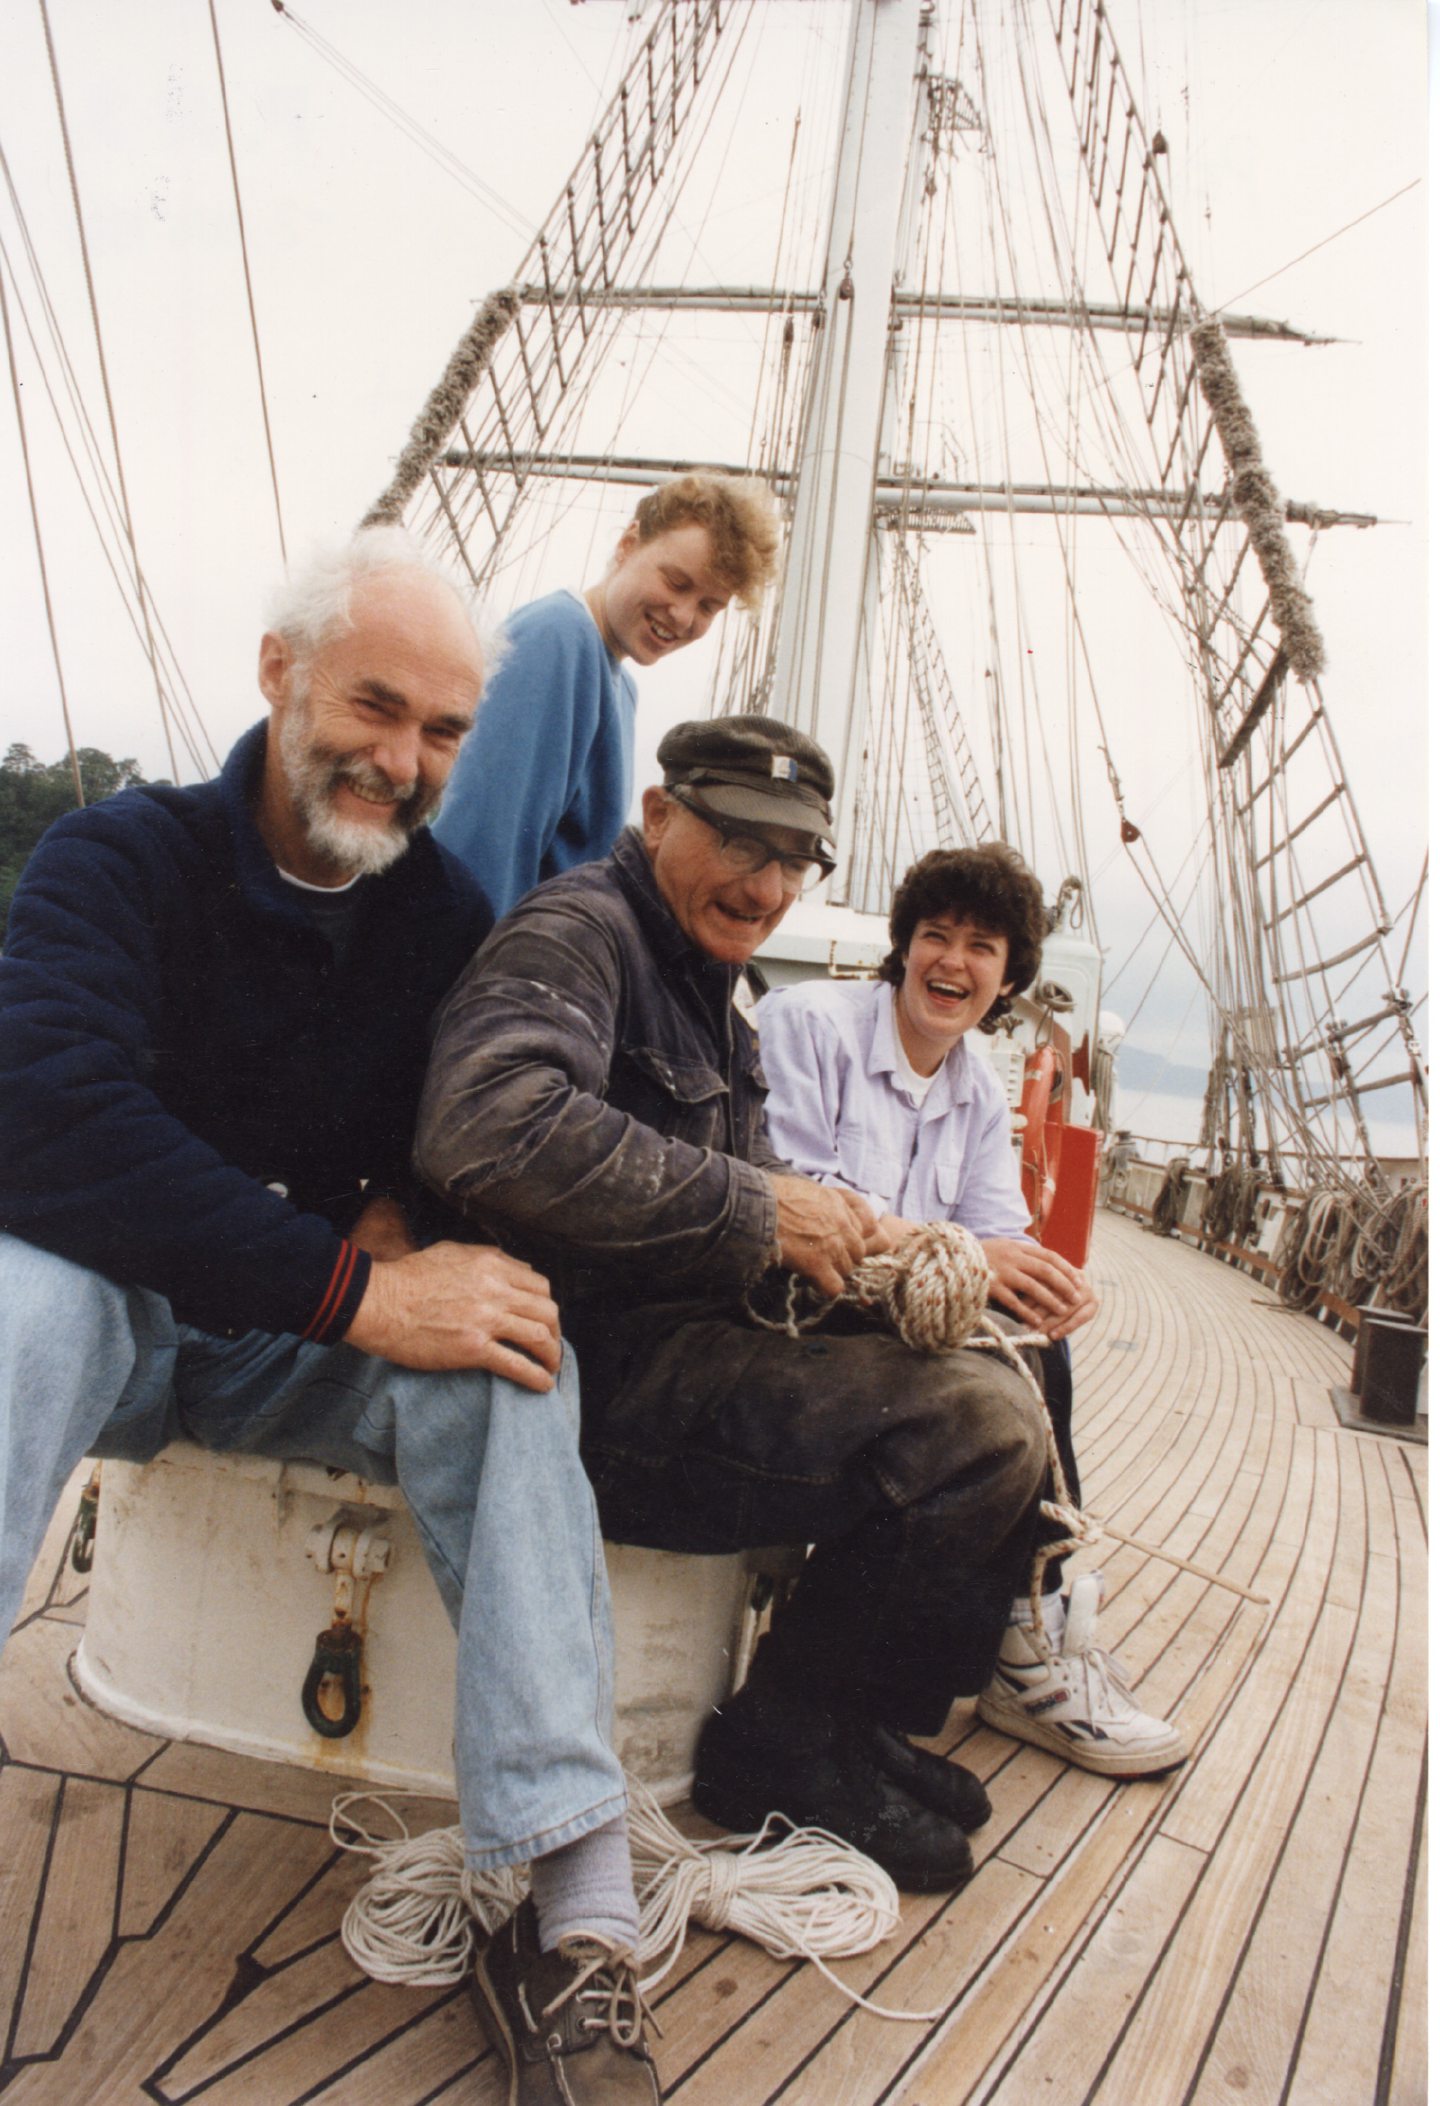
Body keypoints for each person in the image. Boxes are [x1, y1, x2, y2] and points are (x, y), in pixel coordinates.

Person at [0, 530, 660, 2106]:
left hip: (294, 1341)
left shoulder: (438, 924)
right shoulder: (119, 859)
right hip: (132, 1326)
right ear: (280, 671)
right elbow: (47, 1118)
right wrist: (357, 1279)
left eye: (444, 733)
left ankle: (571, 1908)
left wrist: (415, 1227)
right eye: (378, 707)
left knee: (507, 1350)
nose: (404, 759)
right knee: (24, 1298)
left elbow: (456, 1148)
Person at [414, 714, 1057, 1898]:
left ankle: (844, 1714)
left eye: (791, 862)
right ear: (658, 817)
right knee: (973, 1435)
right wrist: (762, 1212)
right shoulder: (582, 934)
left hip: (688, 1338)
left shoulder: (707, 984)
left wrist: (864, 1254)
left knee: (1007, 1381)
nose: (764, 885)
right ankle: (777, 1749)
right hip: (596, 1378)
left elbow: (763, 1187)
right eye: (737, 843)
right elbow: (484, 1126)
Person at [756, 844, 1188, 1775]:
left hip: (901, 1322)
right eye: (935, 936)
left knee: (1037, 1345)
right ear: (903, 947)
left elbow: (997, 1232)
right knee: (992, 1398)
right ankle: (1021, 1645)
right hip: (793, 1314)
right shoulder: (810, 1024)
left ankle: (1025, 1622)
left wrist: (1047, 1281)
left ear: (1009, 976)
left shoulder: (976, 1094)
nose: (952, 962)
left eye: (980, 946)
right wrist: (963, 1256)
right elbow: (797, 1194)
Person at [433, 471, 780, 915]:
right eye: (676, 583)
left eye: (709, 606)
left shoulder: (621, 688)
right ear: (628, 543)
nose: (682, 615)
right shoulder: (556, 639)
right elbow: (484, 846)